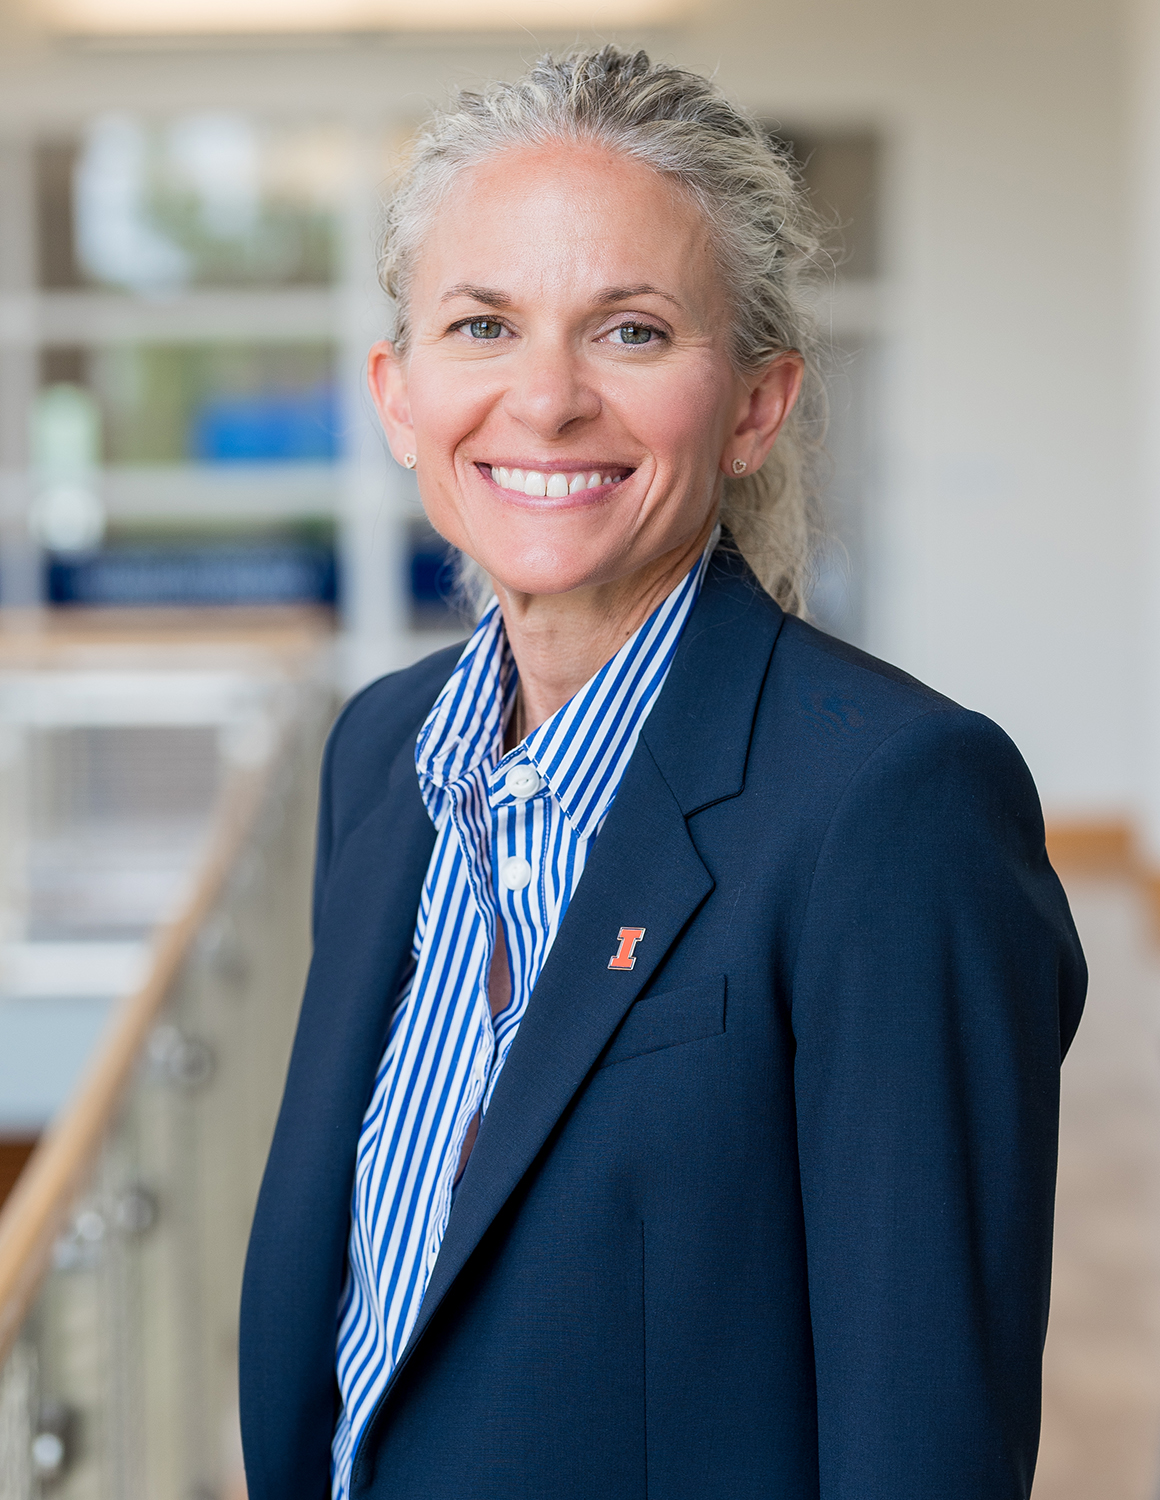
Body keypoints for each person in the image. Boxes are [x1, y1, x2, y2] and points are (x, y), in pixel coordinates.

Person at [239, 45, 1086, 1500]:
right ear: (398, 393)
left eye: (630, 332)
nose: (546, 400)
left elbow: (923, 1441)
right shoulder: (382, 754)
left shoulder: (896, 808)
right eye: (483, 325)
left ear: (755, 405)